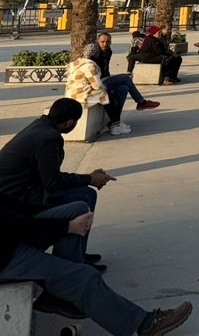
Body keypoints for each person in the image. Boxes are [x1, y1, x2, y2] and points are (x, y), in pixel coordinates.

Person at [0, 193, 193, 336]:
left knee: (77, 208)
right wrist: (67, 226)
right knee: (83, 277)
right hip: (6, 258)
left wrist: (62, 218)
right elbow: (13, 224)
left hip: (11, 239)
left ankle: (61, 293)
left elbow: (12, 206)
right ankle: (144, 324)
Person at [0, 99, 116, 265]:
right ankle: (72, 260)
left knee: (83, 193)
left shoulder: (39, 127)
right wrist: (90, 179)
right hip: (17, 199)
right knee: (84, 197)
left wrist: (88, 178)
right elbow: (52, 182)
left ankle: (77, 253)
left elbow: (49, 177)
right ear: (70, 122)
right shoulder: (48, 138)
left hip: (20, 190)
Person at [66, 50, 130, 137]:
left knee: (108, 94)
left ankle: (115, 122)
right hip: (81, 95)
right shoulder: (89, 66)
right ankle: (115, 124)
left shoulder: (77, 64)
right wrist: (105, 88)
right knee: (107, 96)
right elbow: (97, 85)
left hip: (72, 94)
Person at [93, 33, 160, 114]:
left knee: (123, 88)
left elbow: (106, 68)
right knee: (126, 78)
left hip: (104, 79)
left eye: (107, 42)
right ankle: (141, 102)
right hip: (95, 83)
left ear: (111, 42)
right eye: (102, 42)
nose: (105, 44)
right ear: (97, 41)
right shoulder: (94, 52)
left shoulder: (108, 51)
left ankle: (116, 119)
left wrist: (112, 81)